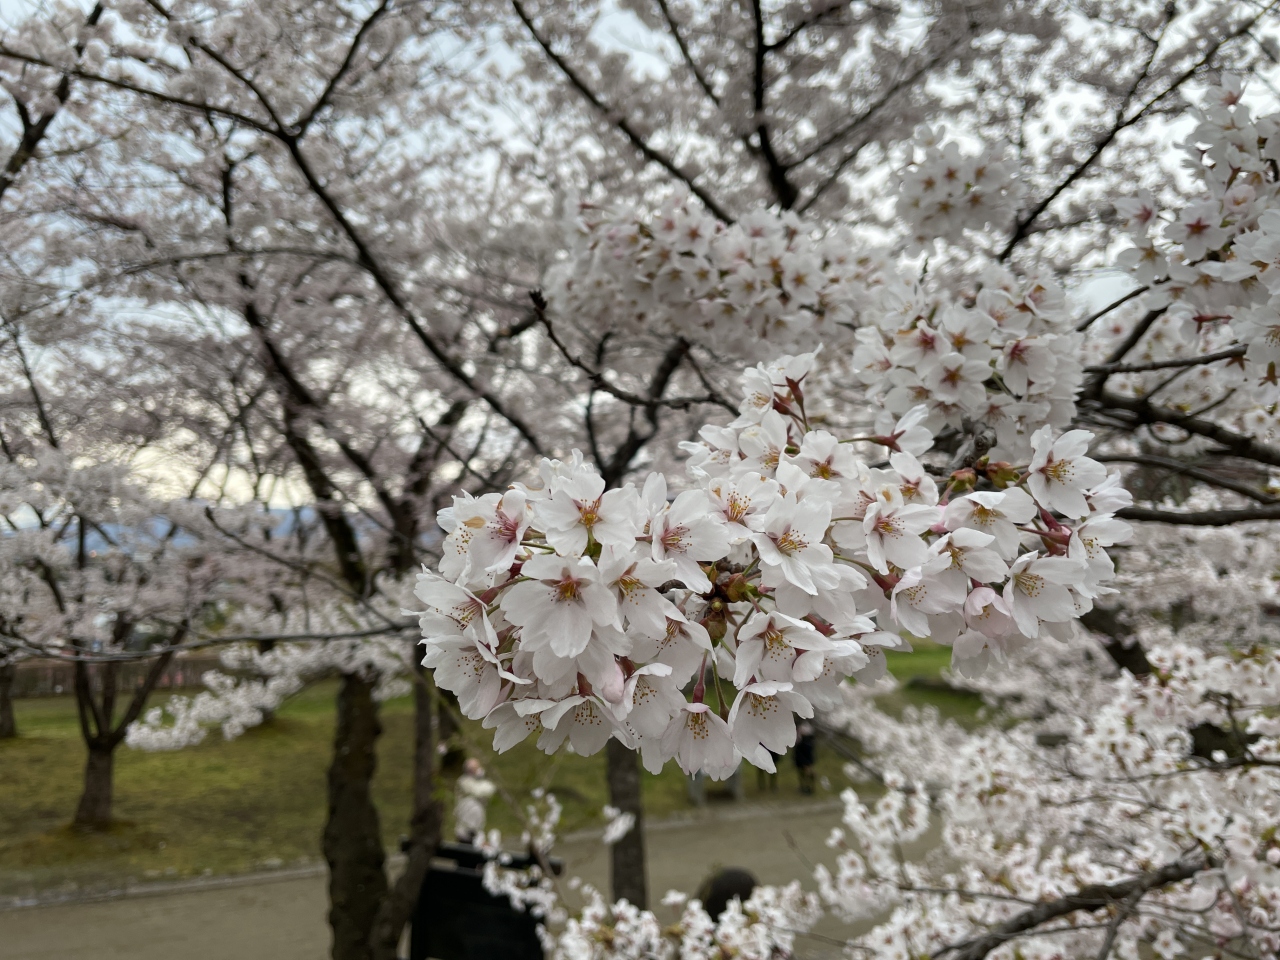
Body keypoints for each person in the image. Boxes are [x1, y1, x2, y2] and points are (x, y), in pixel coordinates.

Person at [454, 757, 496, 844]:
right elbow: (477, 791)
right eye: (472, 768)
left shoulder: (482, 782)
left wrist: (481, 779)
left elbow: (491, 789)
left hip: (477, 829)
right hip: (464, 830)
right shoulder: (463, 782)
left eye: (476, 768)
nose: (475, 770)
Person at [794, 722, 816, 794]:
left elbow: (809, 751)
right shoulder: (800, 739)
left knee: (807, 775)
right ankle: (804, 787)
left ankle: (809, 788)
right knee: (802, 775)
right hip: (801, 760)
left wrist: (807, 762)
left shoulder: (807, 741)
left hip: (806, 760)